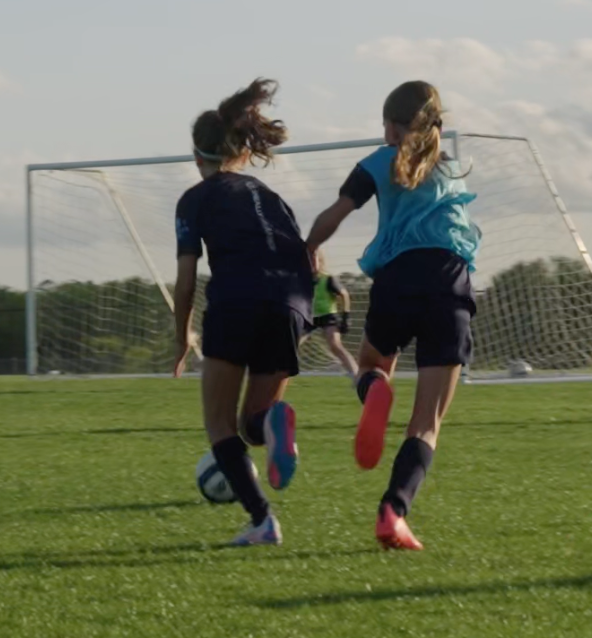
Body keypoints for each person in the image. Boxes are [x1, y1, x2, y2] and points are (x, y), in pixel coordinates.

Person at [306, 80, 481, 551]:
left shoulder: (379, 163)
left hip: (397, 281)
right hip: (449, 284)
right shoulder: (451, 174)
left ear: (390, 125)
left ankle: (375, 391)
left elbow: (334, 214)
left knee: (370, 367)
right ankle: (393, 513)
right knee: (426, 423)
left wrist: (308, 249)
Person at [173, 79, 313, 545]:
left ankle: (262, 521)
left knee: (218, 424)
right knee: (254, 423)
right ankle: (273, 424)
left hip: (236, 301)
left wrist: (182, 336)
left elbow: (188, 279)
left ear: (198, 157)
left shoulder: (195, 200)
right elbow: (308, 260)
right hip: (292, 303)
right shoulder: (271, 197)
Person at [306, 251, 358, 379]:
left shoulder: (328, 279)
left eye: (314, 260)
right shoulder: (302, 280)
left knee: (335, 344)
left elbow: (344, 294)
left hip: (328, 316)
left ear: (320, 261)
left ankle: (356, 374)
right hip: (309, 317)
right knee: (292, 346)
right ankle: (281, 377)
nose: (311, 263)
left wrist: (346, 316)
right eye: (308, 260)